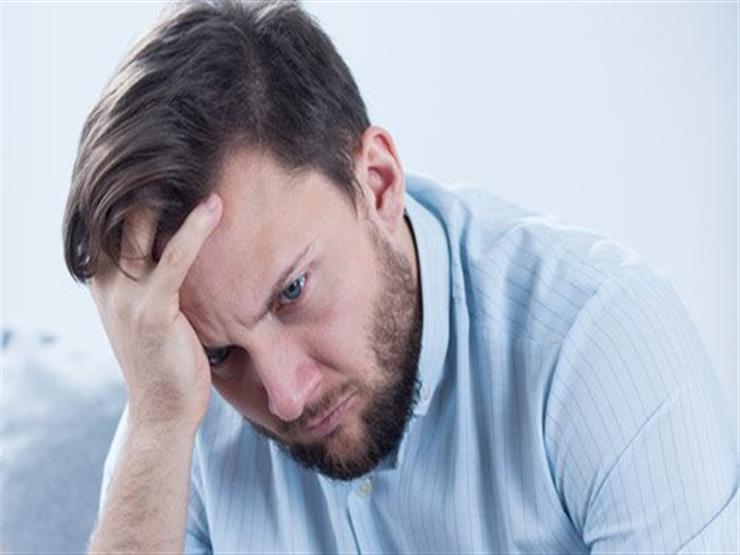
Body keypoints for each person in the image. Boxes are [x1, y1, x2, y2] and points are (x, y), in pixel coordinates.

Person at [63, 1, 737, 552]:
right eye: (221, 353)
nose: (286, 398)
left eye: (293, 291)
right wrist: (156, 426)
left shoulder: (601, 348)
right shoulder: (176, 411)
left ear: (379, 182)